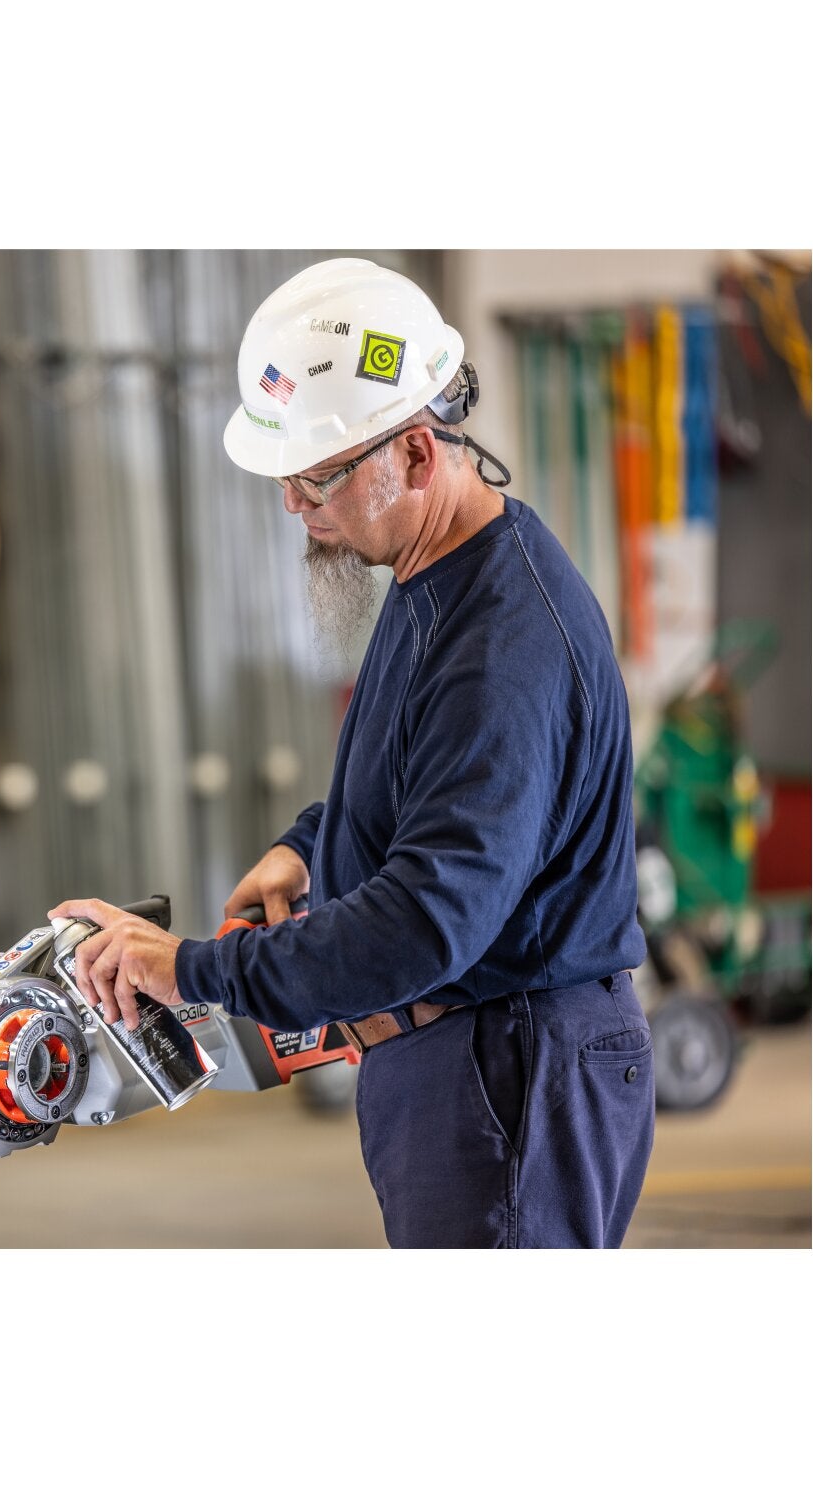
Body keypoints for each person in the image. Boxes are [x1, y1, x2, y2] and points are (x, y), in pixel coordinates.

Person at [50, 257, 654, 1249]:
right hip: (471, 1065)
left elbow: (426, 919)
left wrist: (192, 971)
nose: (295, 503)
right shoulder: (438, 575)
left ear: (416, 454)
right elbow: (439, 784)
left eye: (317, 476)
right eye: (286, 476)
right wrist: (310, 847)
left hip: (510, 1076)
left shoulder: (501, 644)